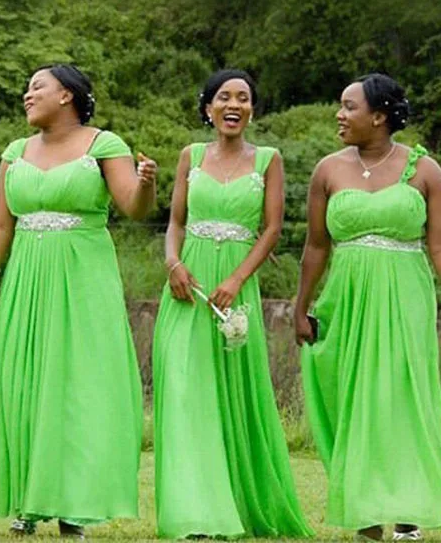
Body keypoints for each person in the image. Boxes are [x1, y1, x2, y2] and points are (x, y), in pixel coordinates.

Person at [0, 64, 156, 538]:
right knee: (27, 382)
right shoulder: (16, 151)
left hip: (85, 279)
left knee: (79, 388)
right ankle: (29, 498)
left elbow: (133, 206)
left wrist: (147, 182)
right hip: (28, 278)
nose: (27, 96)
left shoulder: (104, 144)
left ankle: (76, 504)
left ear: (67, 95)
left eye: (37, 88)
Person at [154, 69, 312, 539]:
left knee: (230, 395)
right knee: (183, 390)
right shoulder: (190, 156)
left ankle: (233, 503)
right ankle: (193, 512)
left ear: (252, 110)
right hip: (187, 284)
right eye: (224, 97)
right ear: (208, 108)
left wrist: (237, 279)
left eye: (243, 98)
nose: (233, 105)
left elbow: (272, 228)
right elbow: (175, 221)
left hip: (235, 287)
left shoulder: (268, 159)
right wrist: (172, 263)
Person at [296, 73, 441, 542]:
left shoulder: (426, 170)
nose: (339, 115)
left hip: (405, 294)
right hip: (348, 297)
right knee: (353, 397)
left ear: (378, 116)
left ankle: (407, 511)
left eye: (348, 106)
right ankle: (364, 510)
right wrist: (302, 306)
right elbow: (316, 246)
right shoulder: (327, 170)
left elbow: (438, 248)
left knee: (403, 397)